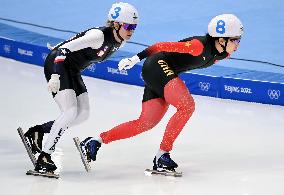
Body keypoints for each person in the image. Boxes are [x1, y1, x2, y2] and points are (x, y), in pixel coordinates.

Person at [79, 14, 244, 172]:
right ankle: (163, 154)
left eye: (239, 39)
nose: (238, 44)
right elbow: (160, 46)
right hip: (157, 65)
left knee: (145, 123)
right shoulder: (198, 46)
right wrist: (135, 58)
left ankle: (95, 141)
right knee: (187, 106)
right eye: (235, 40)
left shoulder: (224, 54)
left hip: (164, 73)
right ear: (221, 40)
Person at [23, 2, 139, 173]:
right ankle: (45, 156)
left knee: (83, 114)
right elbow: (63, 49)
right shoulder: (97, 36)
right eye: (128, 26)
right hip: (58, 65)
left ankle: (38, 131)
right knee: (70, 111)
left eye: (134, 27)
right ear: (116, 24)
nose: (131, 31)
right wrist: (55, 75)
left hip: (72, 70)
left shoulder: (120, 41)